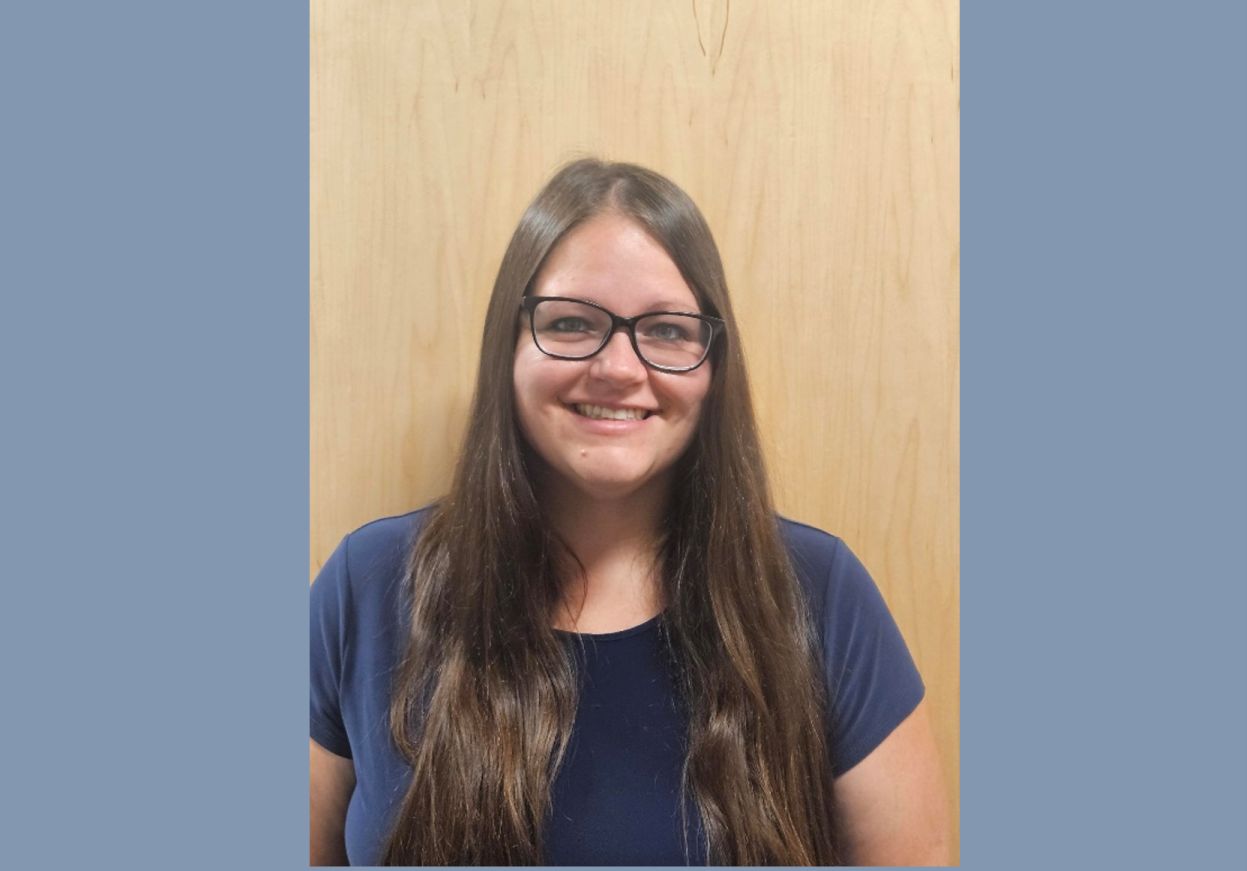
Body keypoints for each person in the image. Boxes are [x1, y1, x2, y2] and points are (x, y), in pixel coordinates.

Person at [310, 158, 950, 865]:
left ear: (712, 364)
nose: (618, 366)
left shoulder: (818, 595)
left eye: (668, 331)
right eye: (572, 322)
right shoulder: (364, 587)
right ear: (509, 345)